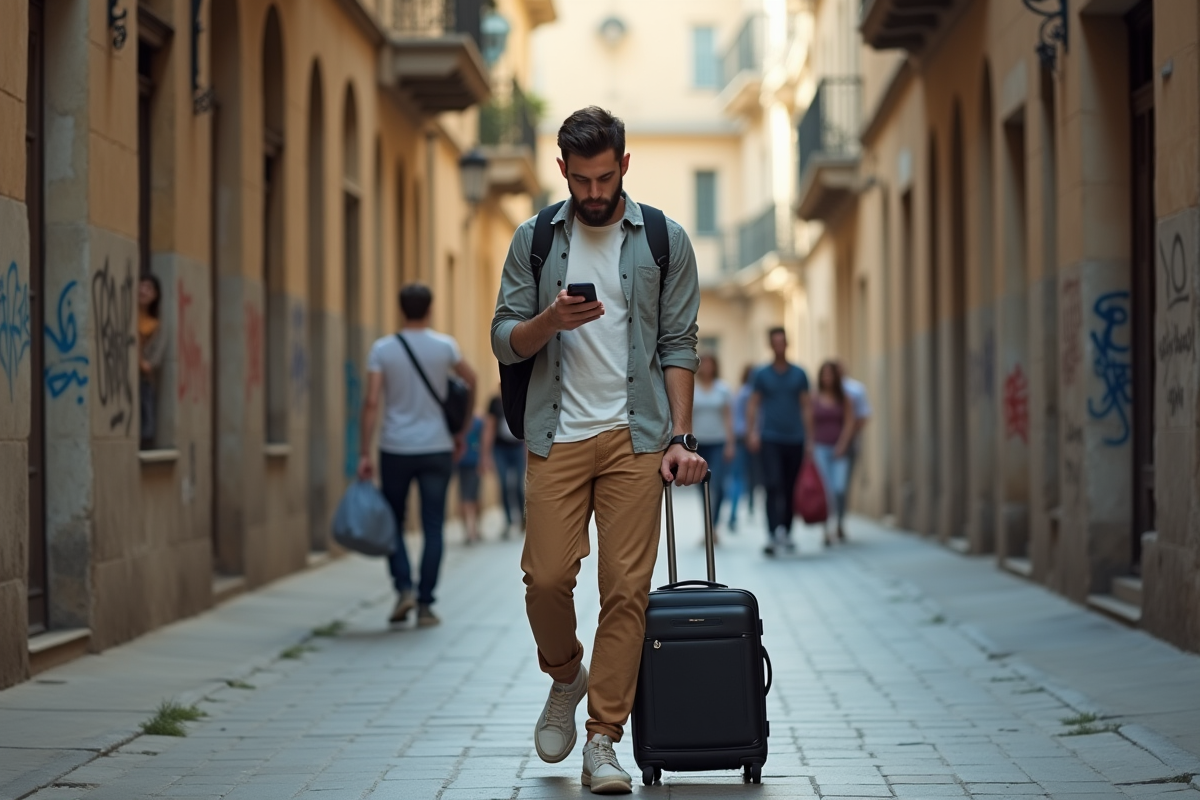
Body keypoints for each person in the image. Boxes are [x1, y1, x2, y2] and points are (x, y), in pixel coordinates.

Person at [491, 106, 705, 795]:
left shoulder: (664, 240)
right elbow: (502, 338)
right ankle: (565, 676)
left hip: (635, 438)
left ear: (624, 166)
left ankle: (603, 739)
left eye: (604, 177)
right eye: (580, 179)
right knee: (547, 579)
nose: (592, 192)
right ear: (562, 171)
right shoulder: (534, 240)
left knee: (627, 592)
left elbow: (678, 343)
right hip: (556, 435)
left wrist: (679, 436)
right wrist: (548, 320)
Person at [357, 283, 477, 628]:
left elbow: (371, 402)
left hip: (395, 447)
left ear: (400, 309)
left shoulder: (383, 349)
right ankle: (425, 604)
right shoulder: (445, 347)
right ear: (430, 309)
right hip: (437, 446)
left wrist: (365, 451)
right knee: (433, 525)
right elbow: (471, 379)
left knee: (393, 521)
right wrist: (461, 430)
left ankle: (403, 588)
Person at [746, 327, 813, 556]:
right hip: (770, 437)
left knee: (790, 487)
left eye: (782, 341)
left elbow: (806, 407)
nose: (779, 345)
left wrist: (810, 439)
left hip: (795, 438)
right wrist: (752, 432)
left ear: (787, 344)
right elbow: (753, 404)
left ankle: (787, 531)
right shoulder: (761, 374)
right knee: (772, 485)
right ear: (770, 345)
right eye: (775, 341)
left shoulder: (799, 374)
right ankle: (773, 533)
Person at [811, 361, 857, 545]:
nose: (827, 378)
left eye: (830, 374)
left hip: (840, 449)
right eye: (824, 374)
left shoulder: (844, 398)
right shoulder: (814, 398)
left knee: (840, 488)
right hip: (820, 448)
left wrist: (843, 445)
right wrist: (810, 446)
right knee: (826, 490)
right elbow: (810, 423)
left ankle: (840, 522)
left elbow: (850, 423)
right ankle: (826, 529)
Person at [692, 353, 734, 540]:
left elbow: (728, 417)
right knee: (702, 488)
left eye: (710, 364)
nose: (707, 367)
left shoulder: (722, 389)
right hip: (698, 444)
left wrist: (730, 443)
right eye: (703, 364)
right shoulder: (691, 388)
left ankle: (713, 526)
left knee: (717, 485)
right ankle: (708, 527)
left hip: (719, 442)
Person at [481, 393, 526, 538]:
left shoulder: (521, 396)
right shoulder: (495, 402)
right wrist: (485, 455)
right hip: (500, 449)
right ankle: (508, 521)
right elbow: (489, 427)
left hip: (518, 447)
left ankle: (523, 519)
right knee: (504, 484)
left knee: (519, 485)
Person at [726, 363, 762, 531]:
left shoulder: (740, 393)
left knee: (738, 478)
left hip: (741, 438)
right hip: (751, 439)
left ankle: (734, 514)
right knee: (751, 478)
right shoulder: (753, 394)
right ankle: (748, 508)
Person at [838, 361, 872, 528]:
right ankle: (830, 522)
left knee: (842, 485)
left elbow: (863, 417)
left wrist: (847, 436)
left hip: (850, 445)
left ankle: (839, 520)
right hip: (824, 446)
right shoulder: (820, 393)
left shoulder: (854, 390)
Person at [137, 274, 166, 450]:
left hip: (142, 383)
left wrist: (136, 357)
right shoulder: (127, 315)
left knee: (145, 427)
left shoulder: (155, 325)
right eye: (141, 286)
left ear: (155, 295)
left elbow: (150, 364)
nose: (143, 291)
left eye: (149, 288)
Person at [457, 413, 484, 544]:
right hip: (464, 463)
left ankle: (472, 530)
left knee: (470, 498)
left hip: (472, 463)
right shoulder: (474, 422)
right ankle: (471, 531)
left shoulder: (477, 422)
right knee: (468, 498)